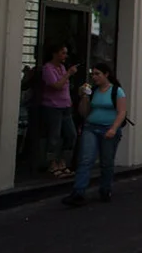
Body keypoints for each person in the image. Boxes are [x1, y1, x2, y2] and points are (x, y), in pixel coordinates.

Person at [62, 63, 126, 206]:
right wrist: (84, 97)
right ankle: (78, 192)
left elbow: (122, 112)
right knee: (85, 159)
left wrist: (114, 129)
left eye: (98, 74)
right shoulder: (94, 91)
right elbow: (84, 112)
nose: (94, 77)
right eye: (93, 74)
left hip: (108, 128)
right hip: (91, 127)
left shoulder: (117, 91)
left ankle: (105, 188)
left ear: (106, 74)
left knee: (106, 161)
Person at [41, 44, 79, 179]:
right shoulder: (48, 68)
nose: (65, 56)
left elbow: (65, 87)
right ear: (54, 53)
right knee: (54, 136)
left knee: (71, 134)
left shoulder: (62, 67)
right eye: (63, 53)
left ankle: (63, 162)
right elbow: (56, 85)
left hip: (65, 106)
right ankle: (52, 164)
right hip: (53, 107)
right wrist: (69, 74)